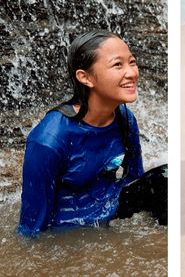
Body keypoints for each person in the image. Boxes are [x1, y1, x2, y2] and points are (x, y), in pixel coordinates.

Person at [18, 31, 168, 237]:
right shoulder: (48, 141)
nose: (132, 73)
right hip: (73, 230)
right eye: (118, 65)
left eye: (132, 62)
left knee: (165, 178)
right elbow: (30, 229)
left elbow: (135, 180)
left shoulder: (125, 118)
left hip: (110, 209)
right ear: (85, 77)